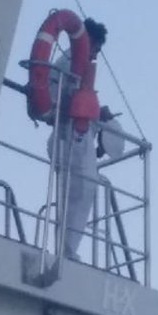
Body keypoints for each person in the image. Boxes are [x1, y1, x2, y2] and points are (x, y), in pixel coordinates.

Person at [48, 17, 116, 260]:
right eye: (95, 47)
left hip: (77, 136)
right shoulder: (68, 64)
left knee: (79, 191)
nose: (96, 53)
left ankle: (67, 247)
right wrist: (98, 113)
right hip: (71, 136)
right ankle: (67, 250)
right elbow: (69, 101)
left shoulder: (70, 63)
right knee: (81, 189)